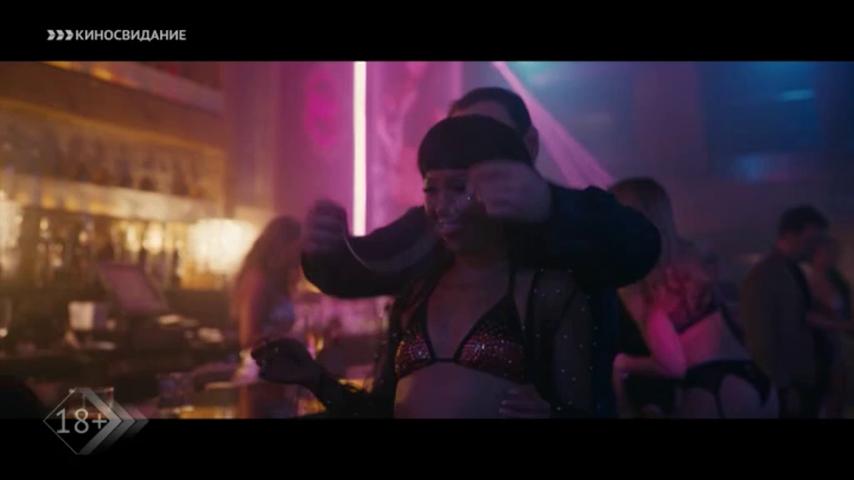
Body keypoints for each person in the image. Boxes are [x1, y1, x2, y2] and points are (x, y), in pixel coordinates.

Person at [299, 88, 662, 416]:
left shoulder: (570, 232)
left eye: (486, 135)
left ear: (527, 145)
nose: (469, 147)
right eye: (434, 188)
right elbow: (355, 268)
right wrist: (325, 247)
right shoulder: (429, 242)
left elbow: (641, 245)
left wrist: (550, 205)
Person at [609, 178, 776, 418]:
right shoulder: (691, 253)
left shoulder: (637, 278)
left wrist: (622, 362)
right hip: (755, 377)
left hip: (712, 385)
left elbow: (672, 365)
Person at [741, 205, 830, 417]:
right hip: (789, 385)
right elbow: (761, 338)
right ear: (789, 236)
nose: (815, 248)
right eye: (811, 241)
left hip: (802, 381)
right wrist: (781, 386)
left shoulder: (792, 270)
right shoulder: (765, 274)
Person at [231, 216, 302, 381]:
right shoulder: (258, 280)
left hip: (278, 369)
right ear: (282, 246)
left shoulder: (279, 281)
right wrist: (290, 339)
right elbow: (247, 338)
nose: (300, 254)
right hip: (259, 372)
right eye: (297, 247)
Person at [803, 236, 853, 417]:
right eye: (828, 252)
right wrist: (839, 325)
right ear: (815, 255)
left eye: (835, 252)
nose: (833, 257)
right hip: (821, 346)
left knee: (840, 394)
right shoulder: (806, 283)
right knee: (829, 394)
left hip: (842, 344)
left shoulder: (837, 281)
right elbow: (806, 316)